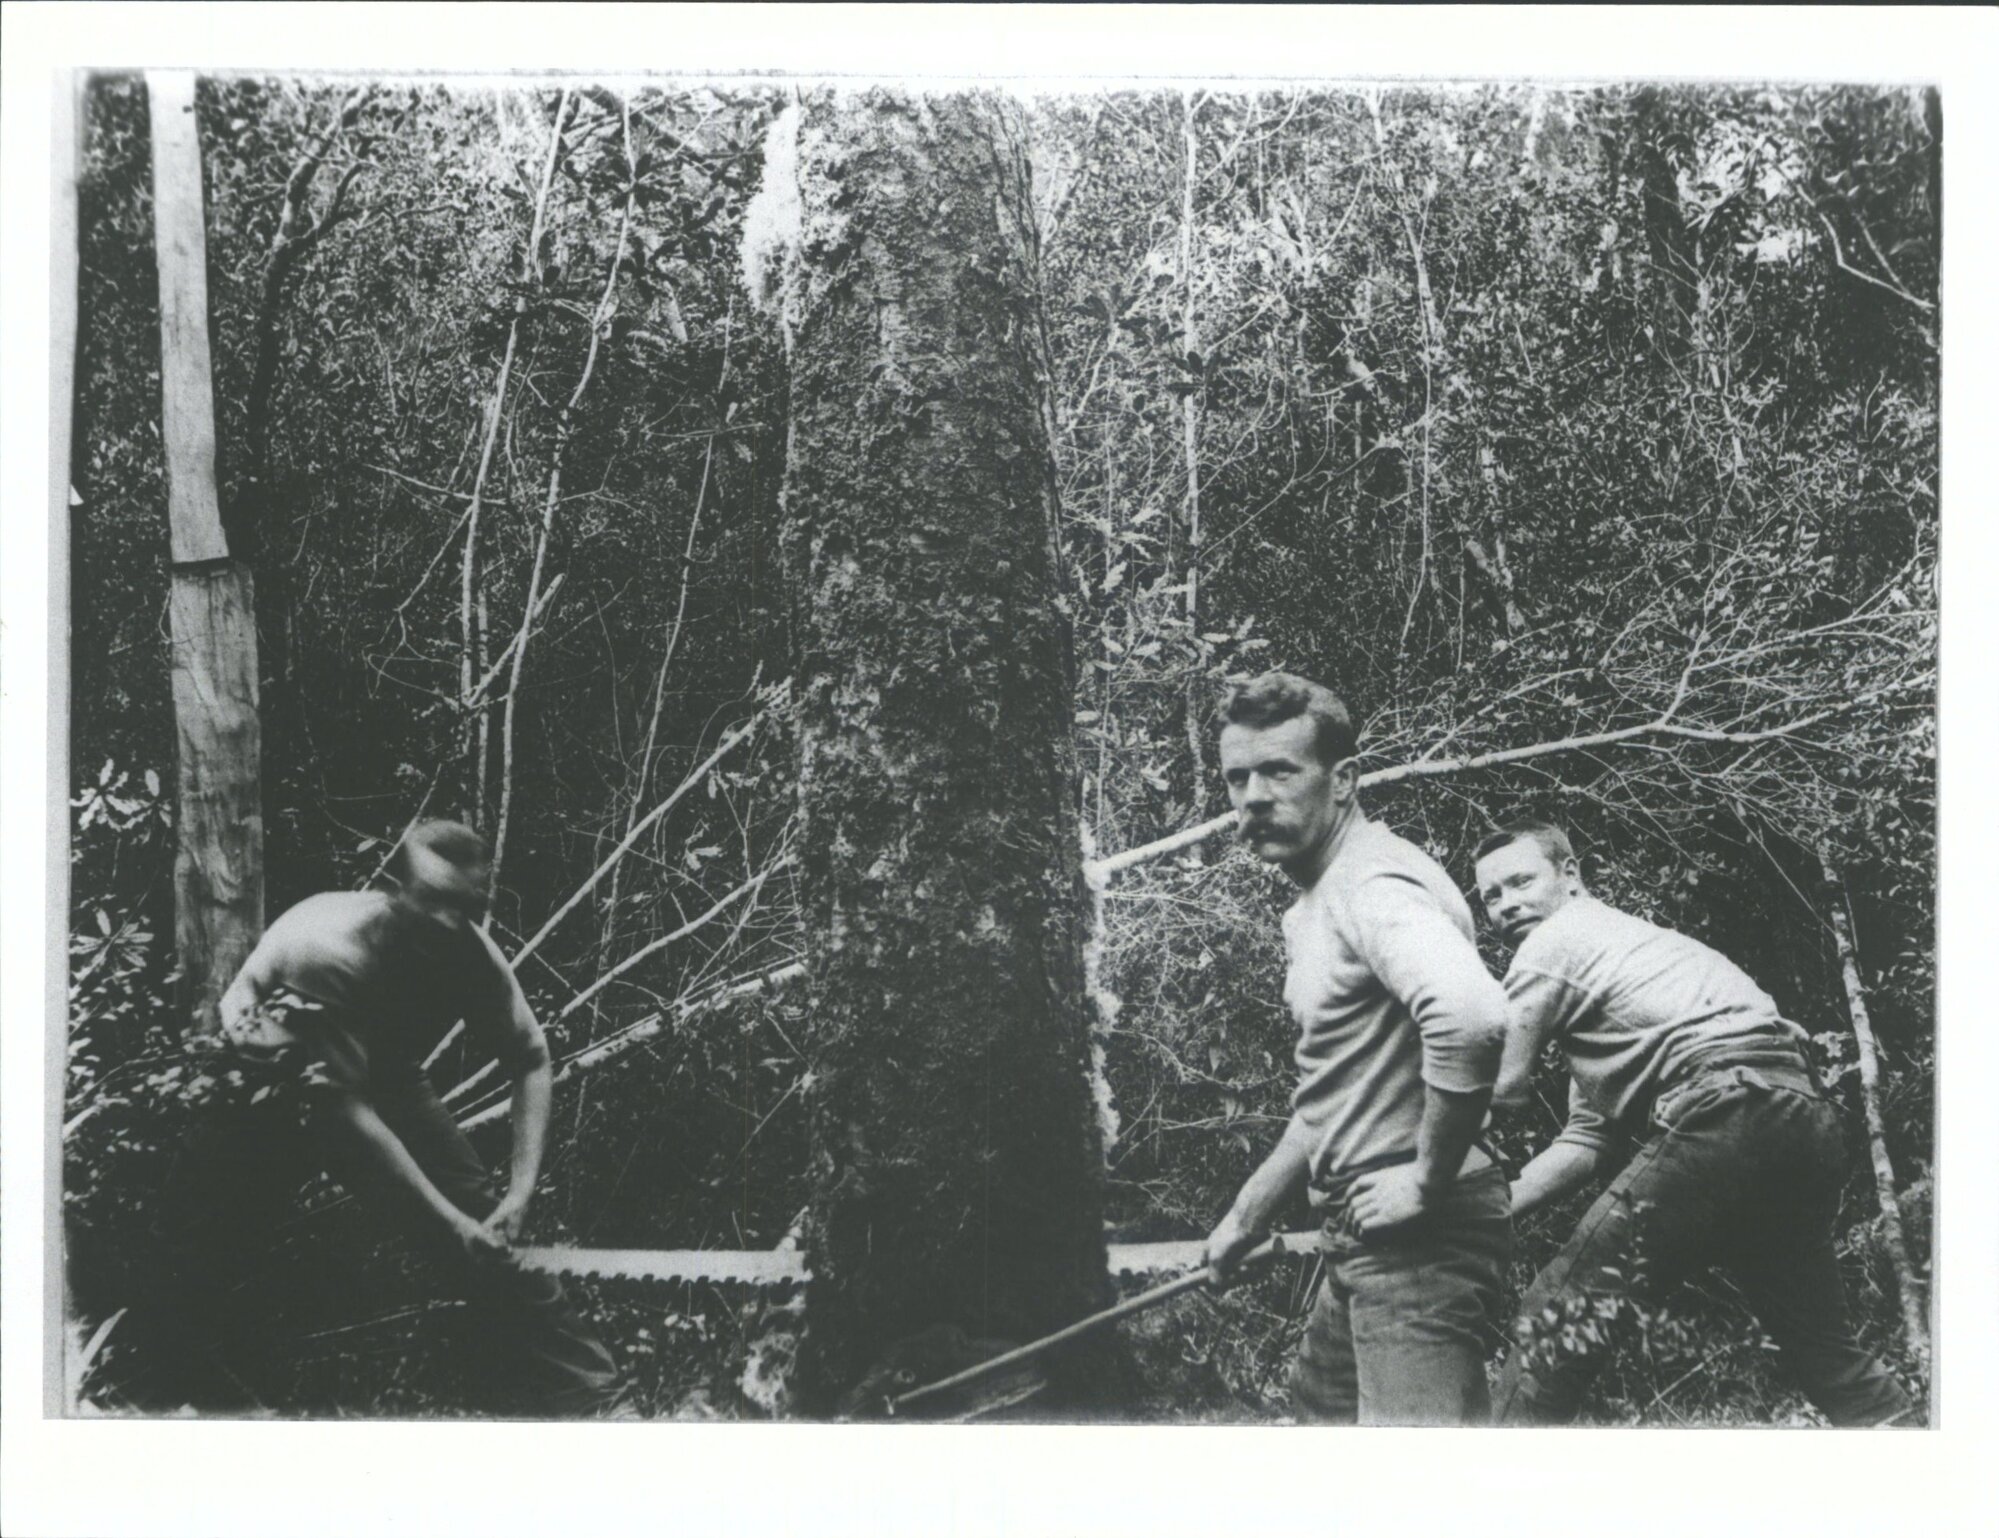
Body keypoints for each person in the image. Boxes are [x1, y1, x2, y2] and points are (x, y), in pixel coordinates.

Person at [142, 819, 623, 1415]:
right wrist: (447, 1224)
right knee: (199, 1250)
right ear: (397, 890)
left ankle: (595, 1399)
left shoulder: (471, 954)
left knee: (486, 1231)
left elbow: (531, 1059)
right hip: (262, 1081)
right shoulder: (330, 948)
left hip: (376, 1071)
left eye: (466, 906)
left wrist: (517, 1197)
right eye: (434, 903)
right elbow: (347, 1117)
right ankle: (182, 1405)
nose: (450, 921)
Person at [1473, 818, 1914, 1426]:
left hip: (1727, 1109)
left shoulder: (1557, 941)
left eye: (1520, 881)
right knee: (1826, 1355)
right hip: (1799, 1117)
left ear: (1570, 876)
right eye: (1490, 896)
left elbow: (1497, 1088)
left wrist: (1417, 1189)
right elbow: (1584, 1141)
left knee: (1558, 1316)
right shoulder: (1623, 963)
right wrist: (1492, 1209)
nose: (1505, 904)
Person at [1201, 672, 1511, 1425]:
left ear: (1343, 781)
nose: (1253, 797)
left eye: (1280, 771)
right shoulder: (1317, 902)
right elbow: (1336, 1094)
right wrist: (1247, 1215)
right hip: (1363, 1225)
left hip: (1415, 1235)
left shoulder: (1371, 883)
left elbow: (1471, 1016)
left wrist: (1424, 1180)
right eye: (1237, 777)